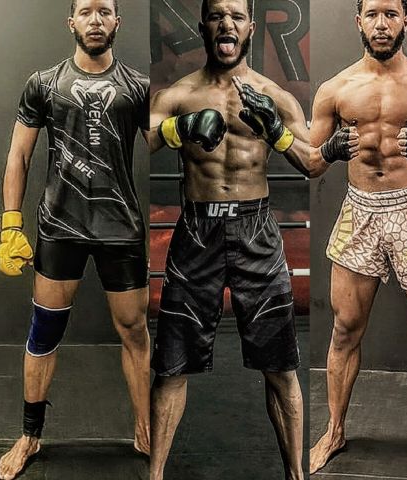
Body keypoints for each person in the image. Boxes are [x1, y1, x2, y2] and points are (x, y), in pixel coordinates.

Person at [147, 0, 309, 478]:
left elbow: (312, 160)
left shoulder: (275, 96)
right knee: (171, 366)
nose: (226, 24)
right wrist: (180, 127)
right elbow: (142, 138)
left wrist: (275, 130)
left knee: (280, 367)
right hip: (197, 230)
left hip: (256, 229)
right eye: (218, 15)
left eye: (236, 16)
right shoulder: (179, 94)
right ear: (203, 26)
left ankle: (296, 475)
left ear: (250, 27)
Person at [309, 0, 407, 475]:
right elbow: (309, 160)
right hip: (359, 211)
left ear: (406, 21)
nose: (382, 24)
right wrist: (329, 150)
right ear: (358, 20)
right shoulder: (335, 89)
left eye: (391, 14)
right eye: (373, 14)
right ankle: (335, 431)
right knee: (344, 329)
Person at [0, 1, 151, 479]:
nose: (95, 20)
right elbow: (19, 156)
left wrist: (188, 127)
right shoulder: (44, 84)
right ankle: (30, 436)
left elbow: (166, 142)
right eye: (86, 11)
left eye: (104, 11)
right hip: (60, 226)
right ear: (72, 22)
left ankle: (146, 430)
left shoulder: (139, 87)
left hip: (120, 229)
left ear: (117, 21)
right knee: (44, 332)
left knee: (135, 332)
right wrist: (10, 224)